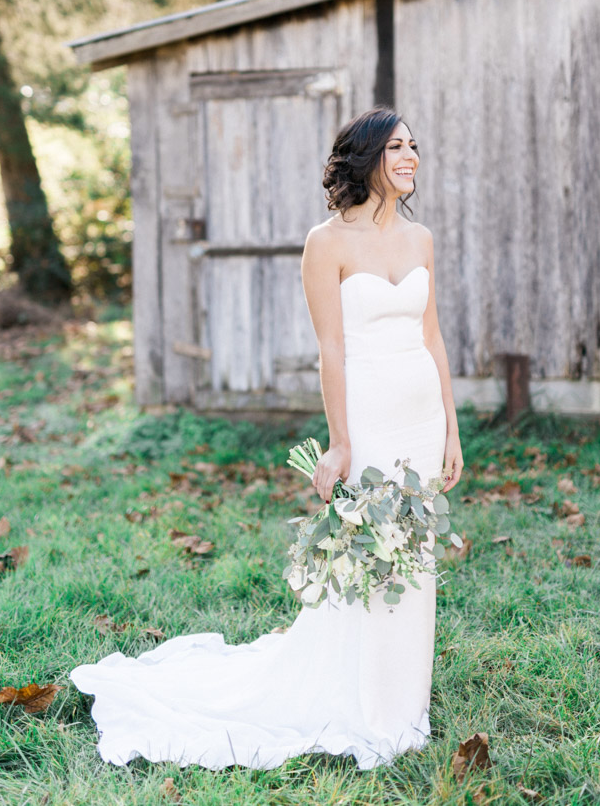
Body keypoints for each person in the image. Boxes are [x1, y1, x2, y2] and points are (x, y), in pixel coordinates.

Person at [71, 107, 465, 769]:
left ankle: (403, 699)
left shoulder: (421, 239)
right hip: (368, 415)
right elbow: (330, 350)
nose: (411, 156)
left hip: (422, 416)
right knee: (371, 551)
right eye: (397, 146)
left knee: (414, 554)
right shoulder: (326, 242)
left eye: (414, 146)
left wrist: (451, 427)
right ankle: (359, 696)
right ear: (367, 157)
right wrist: (340, 444)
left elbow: (432, 337)